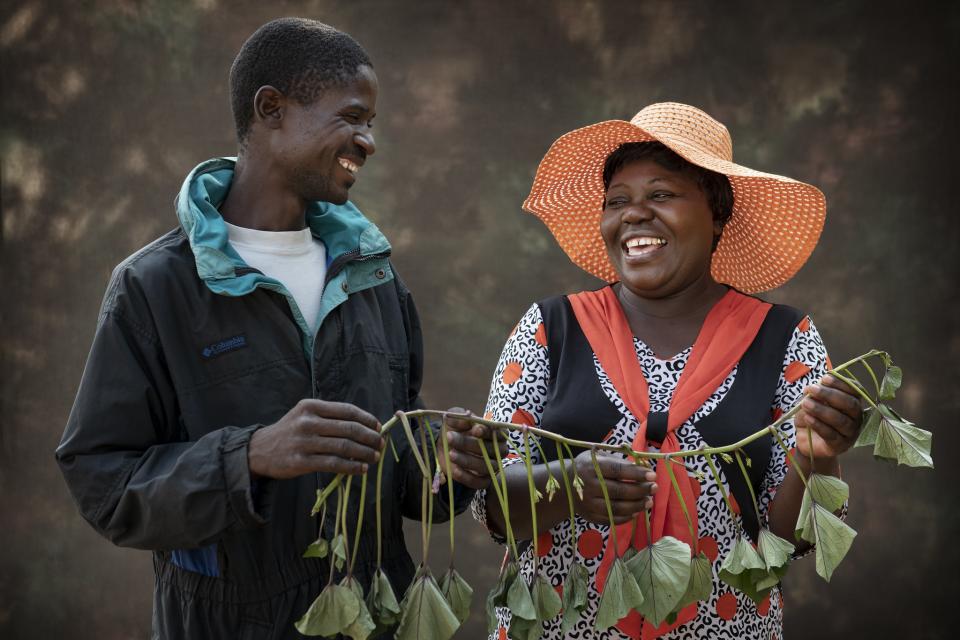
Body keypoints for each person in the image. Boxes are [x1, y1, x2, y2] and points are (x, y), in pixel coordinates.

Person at [56, 18, 496, 640]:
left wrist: (444, 465)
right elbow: (102, 481)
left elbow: (400, 464)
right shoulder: (154, 288)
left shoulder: (375, 280)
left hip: (377, 619)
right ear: (272, 109)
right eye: (352, 117)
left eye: (371, 123)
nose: (367, 141)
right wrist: (250, 456)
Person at [472, 102, 864, 640]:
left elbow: (793, 536)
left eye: (661, 195)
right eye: (617, 201)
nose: (634, 214)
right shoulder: (552, 328)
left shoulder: (782, 339)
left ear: (718, 212)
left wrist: (816, 457)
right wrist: (566, 485)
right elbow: (494, 500)